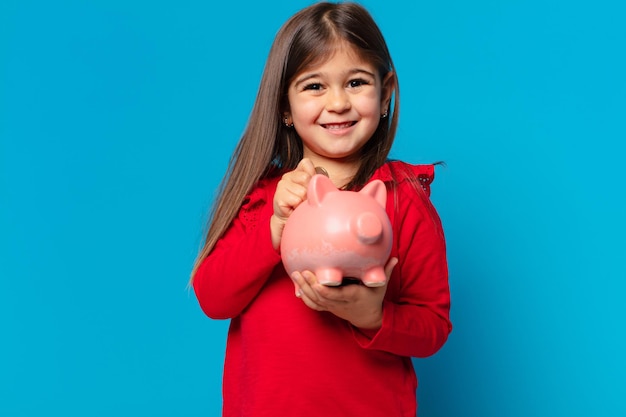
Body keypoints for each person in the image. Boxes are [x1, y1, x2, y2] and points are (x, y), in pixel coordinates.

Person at [190, 2, 451, 416]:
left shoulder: (403, 199)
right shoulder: (265, 197)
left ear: (386, 94)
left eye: (356, 83)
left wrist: (373, 316)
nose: (338, 103)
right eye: (314, 86)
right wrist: (273, 230)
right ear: (284, 107)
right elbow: (212, 297)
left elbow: (433, 327)